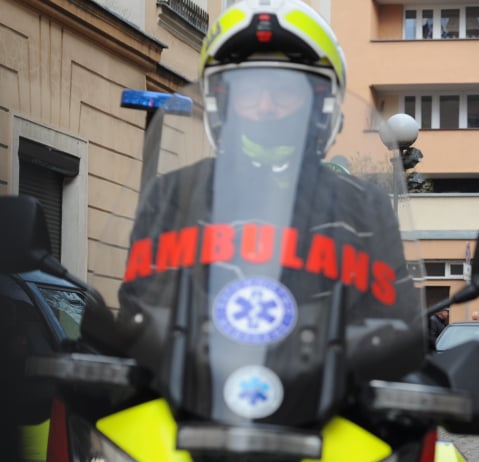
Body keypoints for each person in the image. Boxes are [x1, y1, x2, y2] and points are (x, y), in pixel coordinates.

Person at [118, 1, 423, 383]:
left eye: (284, 91)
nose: (265, 106)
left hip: (329, 403)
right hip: (194, 394)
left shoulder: (362, 206)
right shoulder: (175, 194)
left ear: (318, 103)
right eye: (249, 91)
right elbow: (140, 306)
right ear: (222, 101)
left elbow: (395, 321)